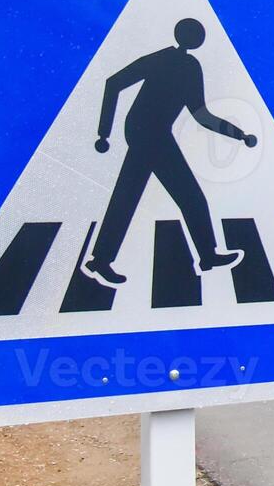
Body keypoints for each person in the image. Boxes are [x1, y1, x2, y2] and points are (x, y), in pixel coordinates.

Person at [83, 18, 257, 286]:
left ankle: (101, 259)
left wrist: (238, 134)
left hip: (152, 132)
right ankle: (207, 256)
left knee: (131, 194)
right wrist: (103, 132)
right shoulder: (163, 59)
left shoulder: (190, 66)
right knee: (186, 196)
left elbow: (200, 114)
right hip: (147, 132)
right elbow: (114, 82)